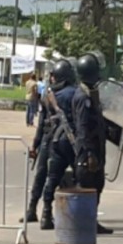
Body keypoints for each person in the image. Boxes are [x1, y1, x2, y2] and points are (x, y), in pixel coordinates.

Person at [74, 52, 113, 235]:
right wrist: (89, 153)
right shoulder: (83, 97)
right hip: (88, 152)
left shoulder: (90, 94)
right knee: (89, 187)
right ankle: (83, 224)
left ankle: (91, 221)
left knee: (97, 187)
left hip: (96, 149)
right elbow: (82, 128)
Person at [39, 60, 81, 230]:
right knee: (82, 178)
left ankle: (46, 214)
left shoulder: (52, 96)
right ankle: (82, 216)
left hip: (56, 140)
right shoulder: (77, 93)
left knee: (52, 178)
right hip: (74, 141)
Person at [23, 69, 56, 224]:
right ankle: (41, 211)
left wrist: (36, 144)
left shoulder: (51, 96)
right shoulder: (51, 97)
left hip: (50, 139)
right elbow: (42, 123)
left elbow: (42, 124)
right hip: (53, 140)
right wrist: (35, 145)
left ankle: (39, 210)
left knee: (44, 175)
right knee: (46, 175)